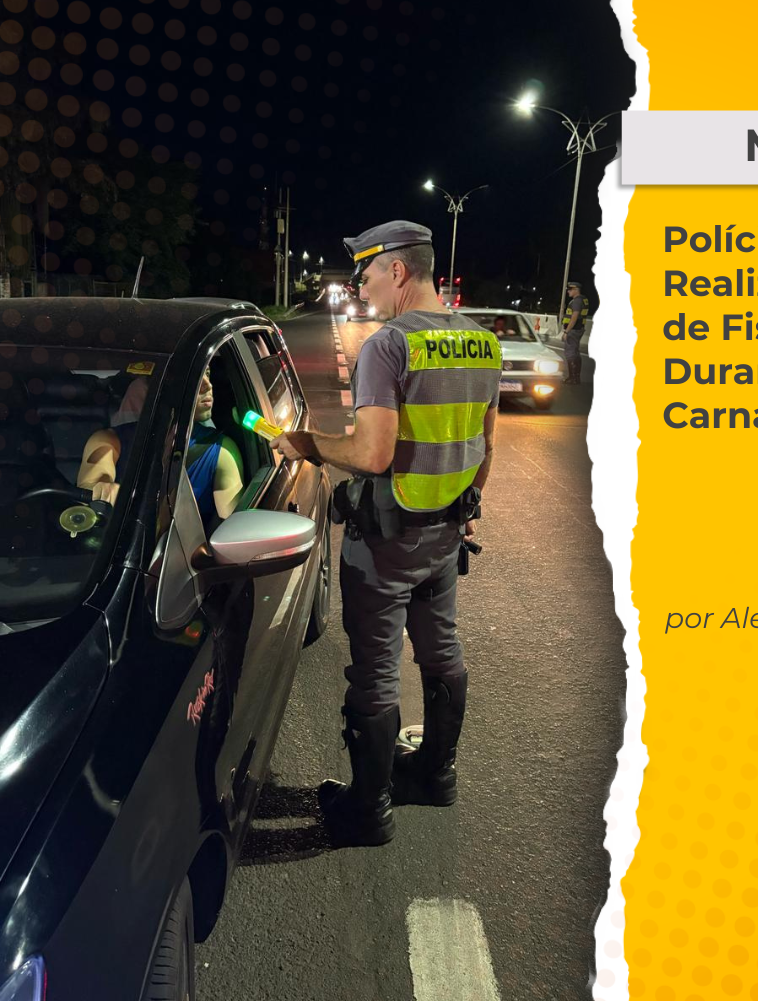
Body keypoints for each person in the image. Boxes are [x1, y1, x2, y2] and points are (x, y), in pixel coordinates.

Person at [271, 220, 502, 848]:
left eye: (367, 273)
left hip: (387, 541)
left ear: (397, 270)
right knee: (442, 651)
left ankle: (368, 810)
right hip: (446, 535)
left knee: (375, 672)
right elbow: (486, 445)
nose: (362, 286)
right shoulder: (482, 342)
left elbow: (372, 455)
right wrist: (466, 507)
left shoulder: (389, 345)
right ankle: (434, 775)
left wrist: (307, 444)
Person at [78, 371, 243, 529]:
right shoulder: (108, 440)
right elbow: (92, 482)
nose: (208, 385)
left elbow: (233, 531)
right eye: (194, 375)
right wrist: (101, 488)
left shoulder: (221, 450)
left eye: (206, 373)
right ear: (161, 387)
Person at [561, 281, 589, 384]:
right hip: (578, 329)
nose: (568, 292)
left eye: (570, 290)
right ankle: (576, 377)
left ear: (576, 290)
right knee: (575, 353)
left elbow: (574, 317)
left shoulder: (577, 301)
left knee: (570, 353)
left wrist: (566, 332)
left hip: (573, 330)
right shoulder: (583, 299)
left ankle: (573, 378)